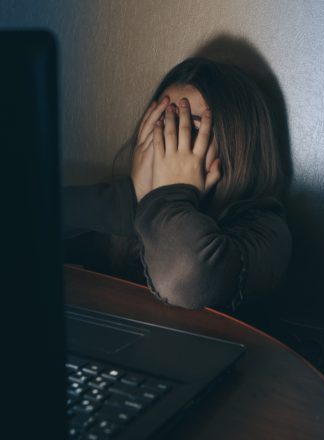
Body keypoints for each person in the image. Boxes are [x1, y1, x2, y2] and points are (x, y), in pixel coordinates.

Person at [62, 57, 291, 312]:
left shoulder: (265, 231)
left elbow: (185, 279)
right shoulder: (129, 209)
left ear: (235, 146)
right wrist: (132, 198)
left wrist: (170, 196)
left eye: (186, 129)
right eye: (160, 126)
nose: (166, 144)